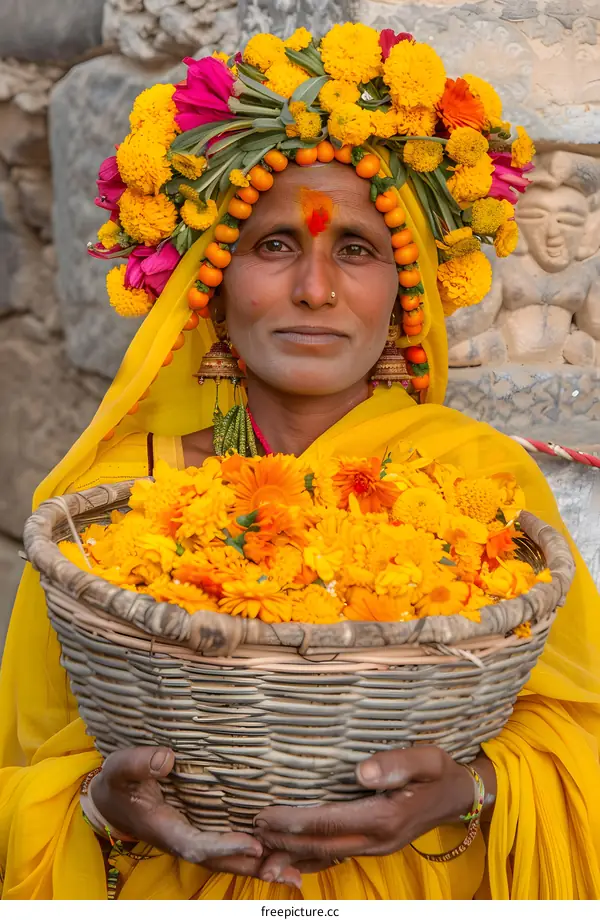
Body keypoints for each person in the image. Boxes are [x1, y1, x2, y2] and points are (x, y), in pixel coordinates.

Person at [1, 25, 600, 901]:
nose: (315, 289)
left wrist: (471, 789)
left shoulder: (476, 485)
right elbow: (29, 767)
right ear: (212, 277)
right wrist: (103, 807)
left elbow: (579, 738)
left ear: (405, 285)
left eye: (355, 248)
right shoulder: (109, 507)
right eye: (275, 244)